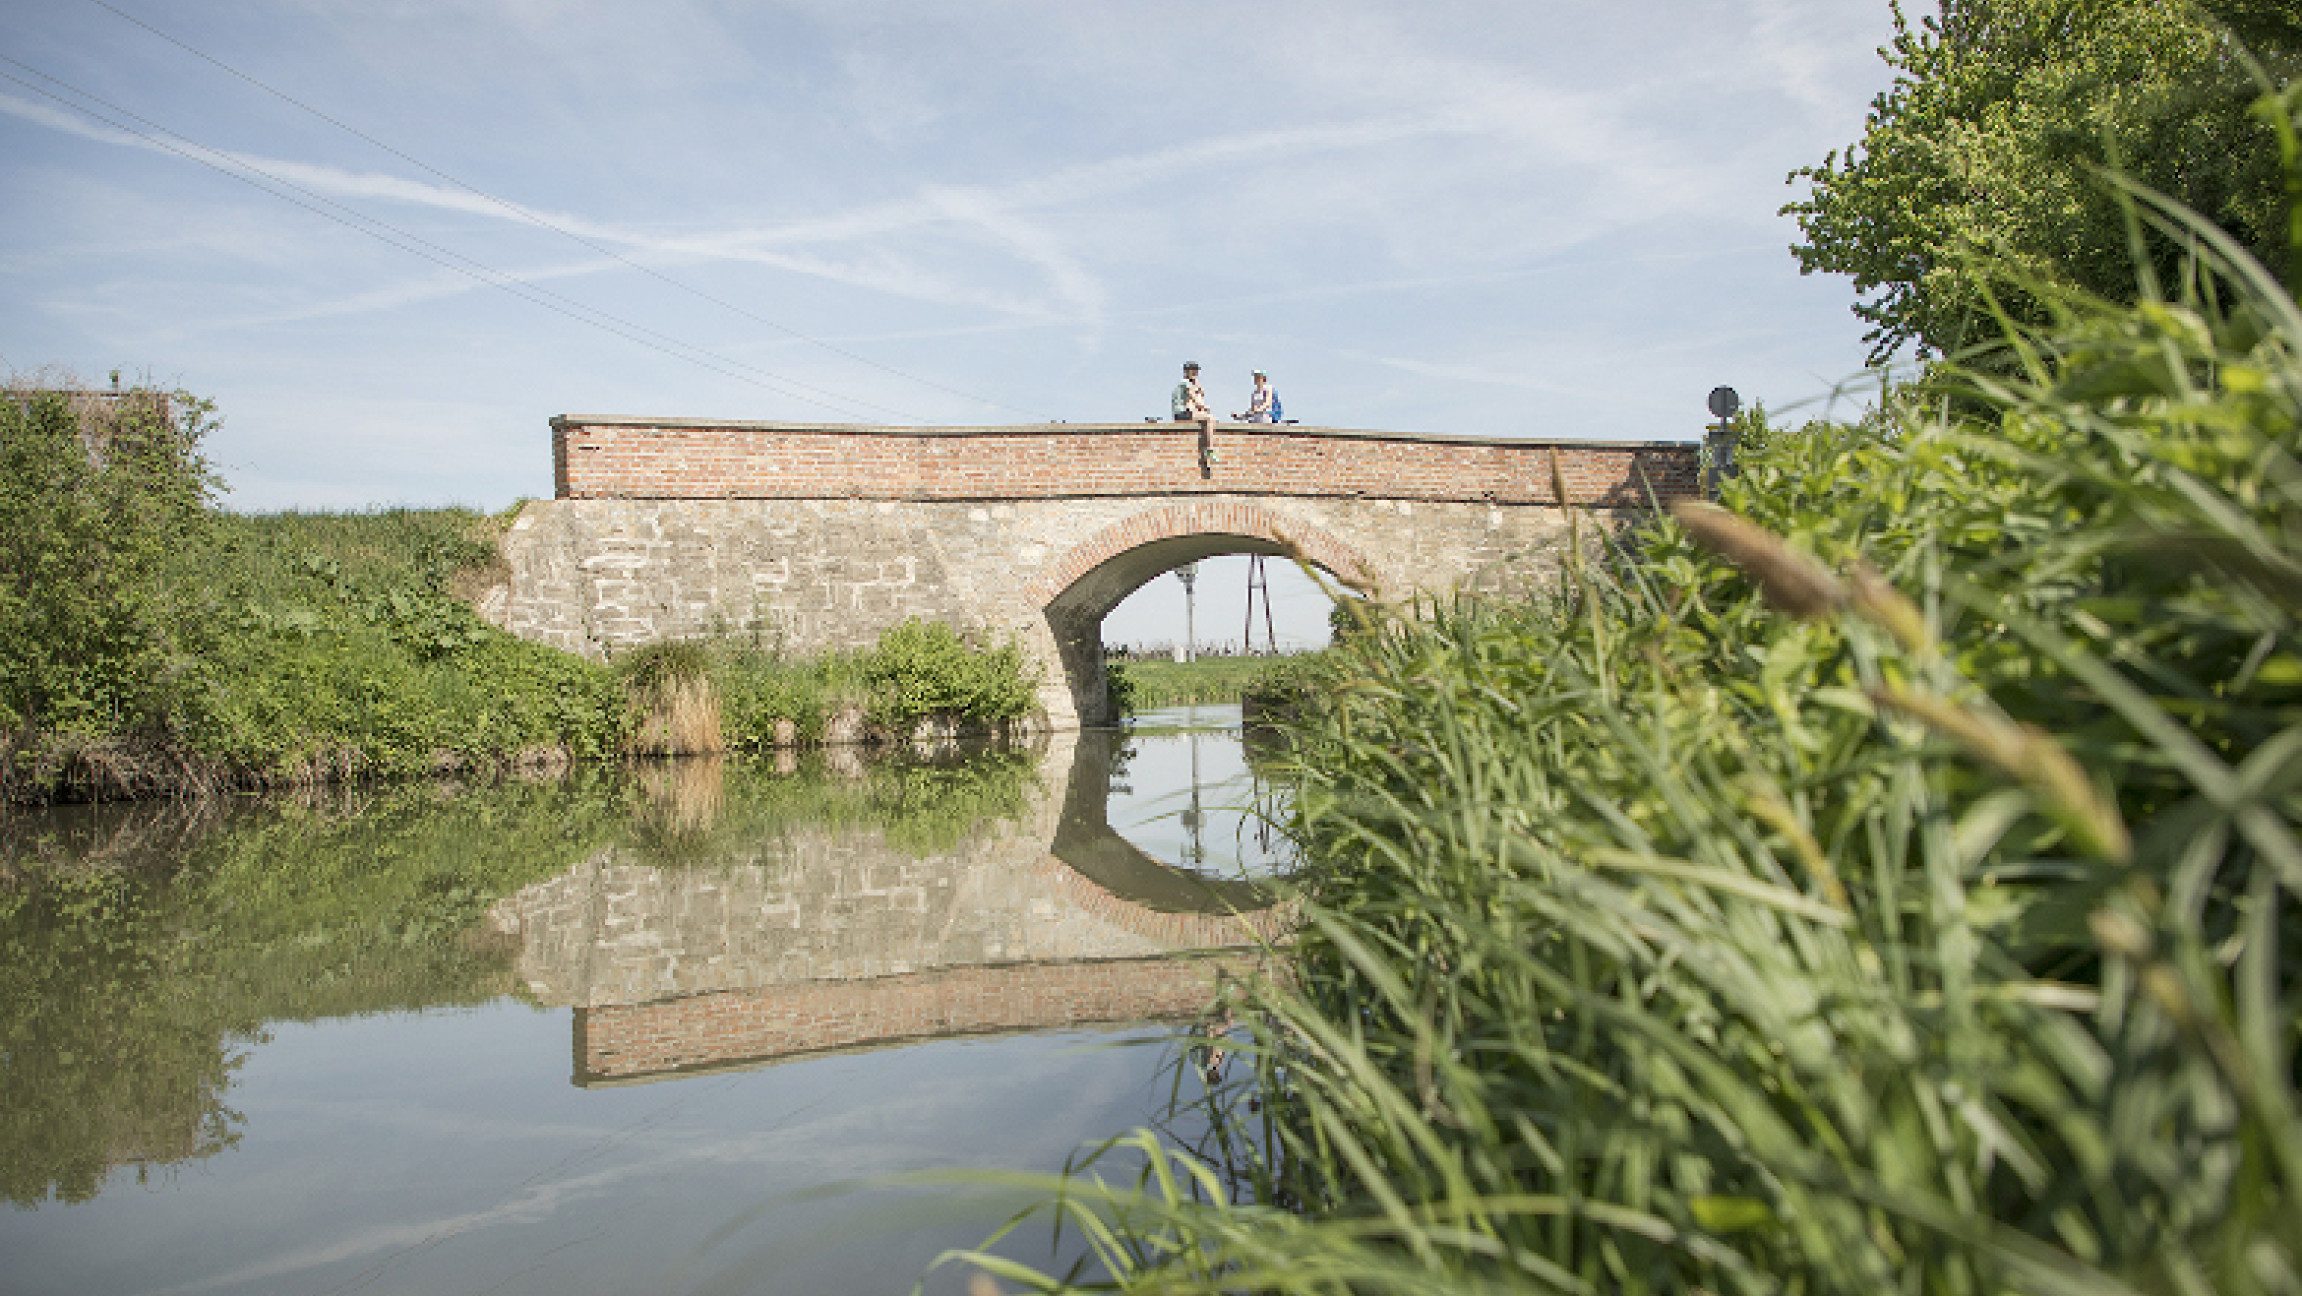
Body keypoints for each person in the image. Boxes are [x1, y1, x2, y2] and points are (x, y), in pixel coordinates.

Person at [1171, 360, 1217, 471]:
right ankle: (1209, 450)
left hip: (1184, 413)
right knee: (1209, 418)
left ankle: (1207, 449)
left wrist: (1197, 385)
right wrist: (1205, 407)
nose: (1195, 374)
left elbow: (1200, 393)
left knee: (1207, 419)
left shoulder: (1188, 383)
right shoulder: (1185, 383)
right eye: (1193, 371)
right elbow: (1195, 399)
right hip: (1182, 413)